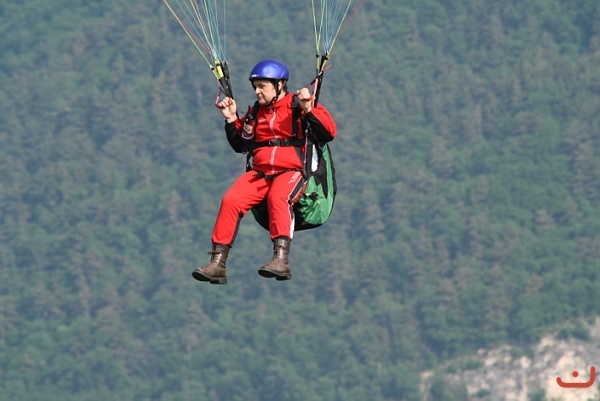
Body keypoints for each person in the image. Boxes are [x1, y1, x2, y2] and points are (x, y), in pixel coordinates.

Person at [192, 59, 337, 284]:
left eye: (262, 86)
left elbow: (329, 132)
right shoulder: (255, 113)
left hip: (292, 171)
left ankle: (281, 260)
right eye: (255, 87)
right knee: (231, 200)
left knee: (278, 197)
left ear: (279, 85)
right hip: (260, 174)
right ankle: (217, 264)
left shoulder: (298, 106)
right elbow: (241, 145)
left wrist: (309, 109)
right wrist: (231, 119)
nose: (257, 91)